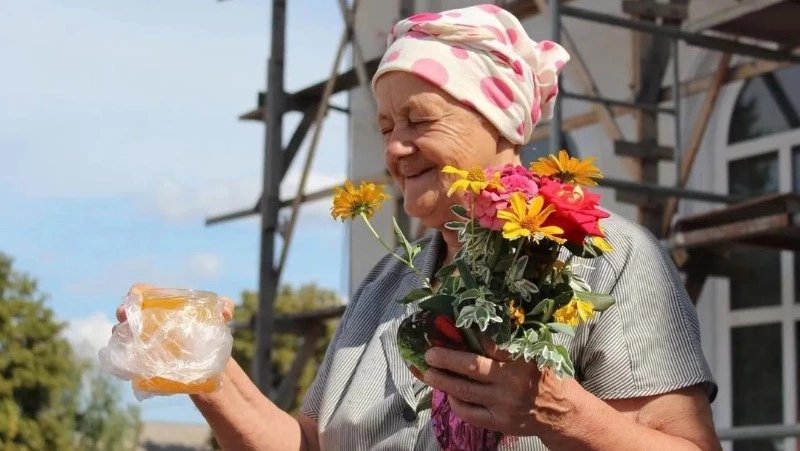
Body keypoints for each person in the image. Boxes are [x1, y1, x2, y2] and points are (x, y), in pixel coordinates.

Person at [114, 4, 721, 450]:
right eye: (384, 128)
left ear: (499, 124)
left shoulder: (604, 256)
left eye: (418, 120)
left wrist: (557, 413)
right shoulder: (387, 282)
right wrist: (205, 370)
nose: (397, 150)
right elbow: (311, 447)